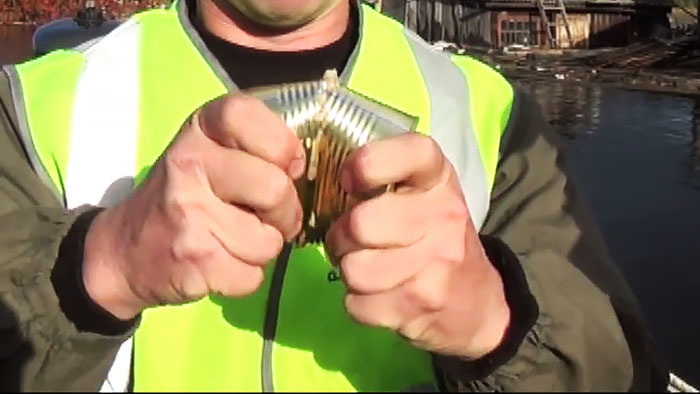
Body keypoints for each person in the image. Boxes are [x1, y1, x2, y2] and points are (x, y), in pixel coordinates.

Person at [0, 0, 669, 391]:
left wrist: (499, 326)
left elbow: (621, 373)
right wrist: (98, 270)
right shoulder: (34, 104)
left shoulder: (491, 114)